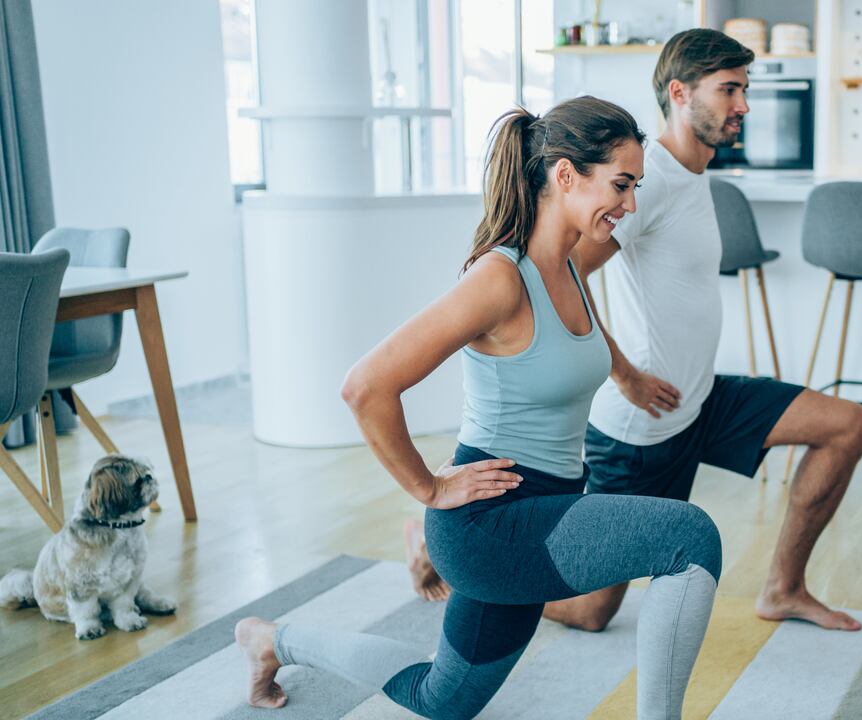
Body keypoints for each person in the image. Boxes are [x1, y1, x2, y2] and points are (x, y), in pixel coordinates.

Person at [235, 96, 722, 720]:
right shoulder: (500, 279)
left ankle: (272, 641)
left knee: (443, 700)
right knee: (689, 537)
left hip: (543, 509)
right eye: (621, 185)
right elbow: (366, 386)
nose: (629, 205)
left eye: (635, 188)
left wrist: (629, 376)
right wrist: (429, 488)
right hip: (492, 522)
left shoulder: (570, 267)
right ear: (566, 175)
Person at [408, 28, 862, 634]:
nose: (743, 105)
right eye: (728, 89)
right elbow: (565, 271)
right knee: (592, 611)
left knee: (845, 425)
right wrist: (624, 374)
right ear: (680, 94)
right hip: (642, 429)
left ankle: (783, 588)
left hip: (699, 401)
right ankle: (450, 555)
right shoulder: (644, 183)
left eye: (744, 89)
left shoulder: (689, 174)